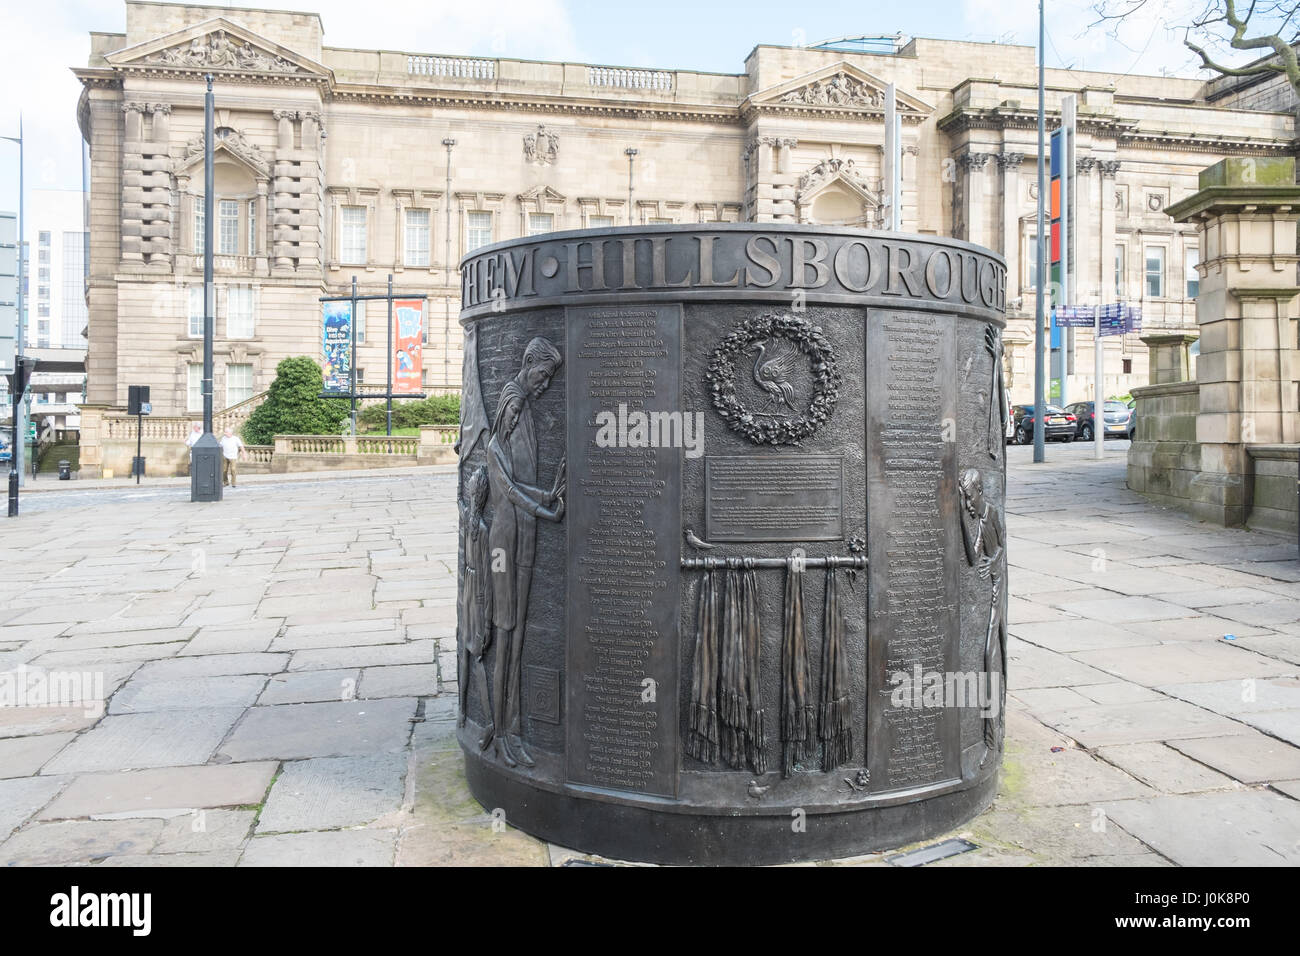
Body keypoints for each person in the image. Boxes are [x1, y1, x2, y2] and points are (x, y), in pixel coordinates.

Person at [486, 337, 565, 768]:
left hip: (525, 538)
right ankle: (501, 729)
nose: (544, 386)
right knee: (507, 633)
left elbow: (521, 485)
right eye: (542, 375)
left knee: (517, 640)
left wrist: (549, 495)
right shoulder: (498, 444)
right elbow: (510, 492)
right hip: (506, 542)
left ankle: (510, 729)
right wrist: (544, 509)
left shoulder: (522, 417)